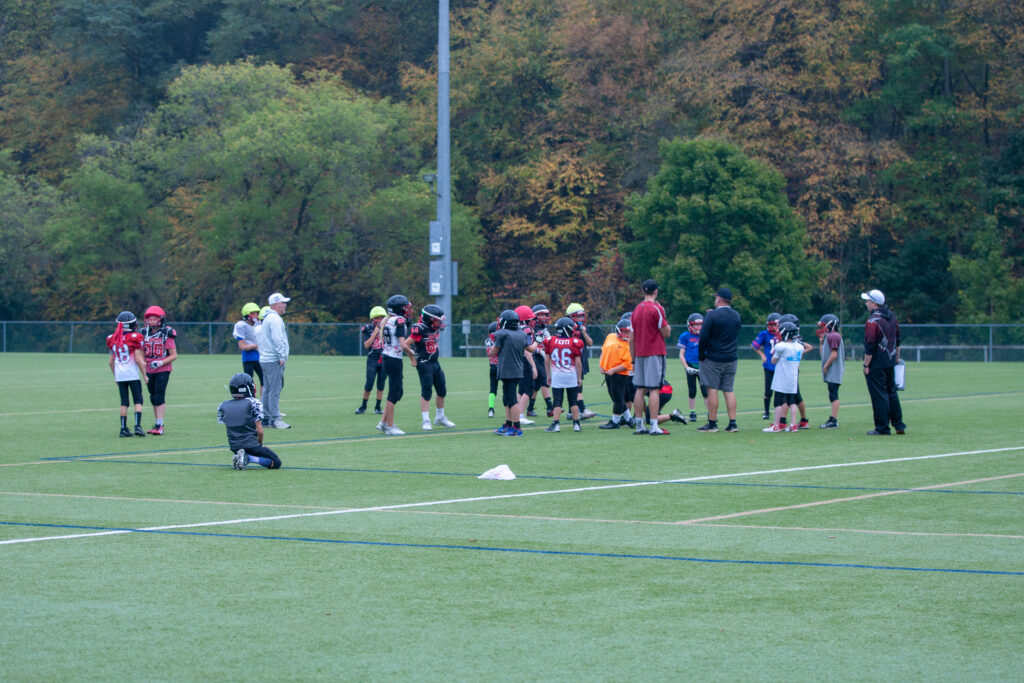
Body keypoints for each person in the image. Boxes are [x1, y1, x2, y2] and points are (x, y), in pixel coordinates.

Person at [861, 289, 906, 435]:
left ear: (874, 303)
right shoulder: (892, 317)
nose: (866, 304)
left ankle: (882, 427)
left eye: (867, 301)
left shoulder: (873, 321)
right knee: (891, 392)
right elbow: (897, 339)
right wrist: (896, 358)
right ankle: (899, 424)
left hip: (876, 363)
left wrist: (866, 364)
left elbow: (870, 345)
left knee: (879, 394)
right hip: (890, 360)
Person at [630, 279, 671, 435]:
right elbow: (666, 333)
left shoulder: (636, 310)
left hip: (639, 354)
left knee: (640, 389)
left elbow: (631, 338)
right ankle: (654, 425)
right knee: (654, 389)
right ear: (656, 292)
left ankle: (639, 425)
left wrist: (633, 359)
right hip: (654, 353)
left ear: (643, 291)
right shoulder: (657, 309)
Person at [697, 287, 742, 433]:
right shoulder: (736, 315)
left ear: (719, 299)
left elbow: (703, 337)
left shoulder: (712, 315)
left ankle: (712, 423)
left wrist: (701, 355)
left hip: (714, 358)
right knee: (729, 390)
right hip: (731, 358)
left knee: (712, 390)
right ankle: (733, 423)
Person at [219, 373, 281, 471]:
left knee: (248, 450)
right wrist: (259, 445)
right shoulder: (253, 403)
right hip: (251, 445)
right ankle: (248, 458)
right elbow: (260, 431)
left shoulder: (223, 405)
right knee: (276, 462)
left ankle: (240, 456)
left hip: (234, 446)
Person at [409, 304, 456, 430]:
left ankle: (440, 417)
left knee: (442, 390)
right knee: (427, 391)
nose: (439, 322)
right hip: (424, 364)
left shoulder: (434, 327)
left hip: (435, 362)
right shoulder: (420, 329)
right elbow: (406, 344)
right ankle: (426, 420)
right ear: (429, 318)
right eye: (437, 319)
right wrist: (412, 358)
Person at [378, 294, 417, 436]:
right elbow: (403, 344)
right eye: (406, 308)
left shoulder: (387, 319)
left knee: (398, 392)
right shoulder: (399, 320)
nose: (408, 310)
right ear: (400, 309)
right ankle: (390, 426)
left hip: (387, 357)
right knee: (394, 393)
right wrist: (412, 353)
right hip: (393, 359)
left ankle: (383, 423)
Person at [763, 322, 813, 432]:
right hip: (793, 377)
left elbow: (773, 361)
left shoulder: (781, 346)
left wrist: (773, 354)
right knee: (792, 401)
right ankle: (793, 425)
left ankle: (776, 425)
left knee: (778, 401)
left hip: (782, 377)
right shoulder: (799, 346)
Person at [107, 311, 148, 437]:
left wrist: (116, 377)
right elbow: (137, 359)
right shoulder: (135, 337)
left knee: (124, 402)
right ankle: (137, 426)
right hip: (132, 375)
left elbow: (110, 362)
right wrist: (145, 374)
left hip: (120, 375)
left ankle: (123, 428)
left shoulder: (112, 338)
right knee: (138, 401)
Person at [490, 309, 529, 436]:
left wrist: (492, 342)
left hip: (508, 370)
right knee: (506, 398)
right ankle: (508, 423)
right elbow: (531, 348)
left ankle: (517, 427)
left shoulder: (502, 333)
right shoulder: (522, 333)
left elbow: (493, 352)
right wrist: (538, 340)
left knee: (511, 400)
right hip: (516, 370)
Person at [256, 292, 291, 429]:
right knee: (274, 390)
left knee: (267, 390)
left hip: (265, 359)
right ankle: (275, 419)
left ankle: (264, 418)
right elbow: (278, 339)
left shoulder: (267, 318)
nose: (285, 305)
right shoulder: (275, 319)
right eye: (283, 302)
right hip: (273, 360)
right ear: (276, 304)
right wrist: (281, 356)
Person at [140, 305, 177, 435]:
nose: (151, 321)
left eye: (154, 318)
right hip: (149, 369)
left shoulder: (166, 333)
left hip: (163, 369)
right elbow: (141, 352)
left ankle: (160, 425)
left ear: (160, 319)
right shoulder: (144, 333)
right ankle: (156, 423)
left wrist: (160, 362)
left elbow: (174, 355)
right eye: (149, 318)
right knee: (153, 396)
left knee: (159, 395)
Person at [543, 316, 584, 432]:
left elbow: (546, 360)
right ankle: (576, 424)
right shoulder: (575, 342)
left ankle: (555, 424)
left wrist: (548, 375)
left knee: (557, 400)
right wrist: (579, 377)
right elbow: (578, 363)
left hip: (557, 375)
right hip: (571, 374)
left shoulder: (550, 340)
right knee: (573, 400)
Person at [598, 319, 633, 429]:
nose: (627, 334)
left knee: (618, 397)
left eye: (629, 332)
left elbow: (627, 364)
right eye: (624, 331)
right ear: (618, 330)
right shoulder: (610, 336)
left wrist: (613, 370)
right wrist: (601, 365)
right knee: (615, 396)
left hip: (620, 374)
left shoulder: (629, 344)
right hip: (608, 372)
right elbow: (603, 351)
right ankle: (629, 419)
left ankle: (615, 421)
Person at [566, 303, 596, 419]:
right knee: (576, 387)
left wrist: (583, 332)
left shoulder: (583, 329)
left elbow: (590, 343)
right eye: (577, 316)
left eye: (581, 316)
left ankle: (571, 411)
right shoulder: (567, 329)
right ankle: (582, 410)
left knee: (578, 385)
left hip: (581, 360)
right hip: (571, 361)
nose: (580, 319)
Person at [356, 306, 388, 415]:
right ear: (373, 319)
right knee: (369, 383)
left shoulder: (388, 328)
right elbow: (366, 345)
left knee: (381, 383)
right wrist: (375, 333)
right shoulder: (368, 328)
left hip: (384, 358)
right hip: (372, 359)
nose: (380, 320)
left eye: (381, 318)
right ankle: (363, 406)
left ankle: (378, 407)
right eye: (377, 318)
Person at [676, 312, 707, 422]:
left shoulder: (705, 335)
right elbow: (681, 354)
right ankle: (692, 411)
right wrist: (686, 367)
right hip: (690, 365)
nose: (699, 327)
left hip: (703, 366)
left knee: (705, 390)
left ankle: (710, 412)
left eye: (700, 325)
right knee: (692, 390)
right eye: (696, 325)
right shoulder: (685, 336)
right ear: (690, 325)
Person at [817, 314, 845, 429]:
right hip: (831, 370)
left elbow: (834, 355)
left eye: (824, 325)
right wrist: (821, 343)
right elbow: (823, 355)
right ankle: (833, 419)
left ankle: (833, 420)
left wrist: (826, 366)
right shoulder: (829, 336)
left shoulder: (833, 336)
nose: (822, 328)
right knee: (831, 394)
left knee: (834, 394)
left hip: (834, 370)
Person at [751, 313, 781, 420]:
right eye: (772, 325)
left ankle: (780, 413)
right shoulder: (764, 334)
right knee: (768, 391)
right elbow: (754, 345)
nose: (774, 327)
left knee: (780, 391)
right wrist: (762, 354)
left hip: (781, 366)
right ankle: (767, 412)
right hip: (769, 366)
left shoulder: (783, 334)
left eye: (775, 325)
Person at [513, 305, 540, 426]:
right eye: (530, 319)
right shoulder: (526, 330)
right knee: (529, 388)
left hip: (516, 360)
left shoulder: (515, 329)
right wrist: (533, 366)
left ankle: (517, 413)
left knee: (521, 389)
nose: (533, 321)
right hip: (525, 361)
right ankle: (520, 414)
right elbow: (527, 350)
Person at [528, 304, 555, 417]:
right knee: (544, 380)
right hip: (535, 356)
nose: (544, 317)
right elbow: (530, 345)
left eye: (545, 314)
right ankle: (550, 408)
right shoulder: (532, 328)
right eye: (541, 315)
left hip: (542, 357)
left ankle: (529, 409)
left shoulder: (544, 327)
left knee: (537, 385)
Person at [233, 302, 263, 398]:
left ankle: (264, 404)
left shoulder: (260, 323)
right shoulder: (241, 325)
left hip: (261, 357)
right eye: (253, 313)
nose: (256, 316)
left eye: (257, 313)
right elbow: (242, 346)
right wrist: (256, 346)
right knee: (249, 382)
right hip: (248, 358)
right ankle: (252, 402)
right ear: (247, 315)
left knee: (265, 381)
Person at [484, 321, 499, 417]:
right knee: (507, 388)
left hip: (492, 367)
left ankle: (491, 409)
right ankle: (510, 407)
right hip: (502, 367)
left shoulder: (487, 341)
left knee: (493, 389)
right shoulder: (499, 341)